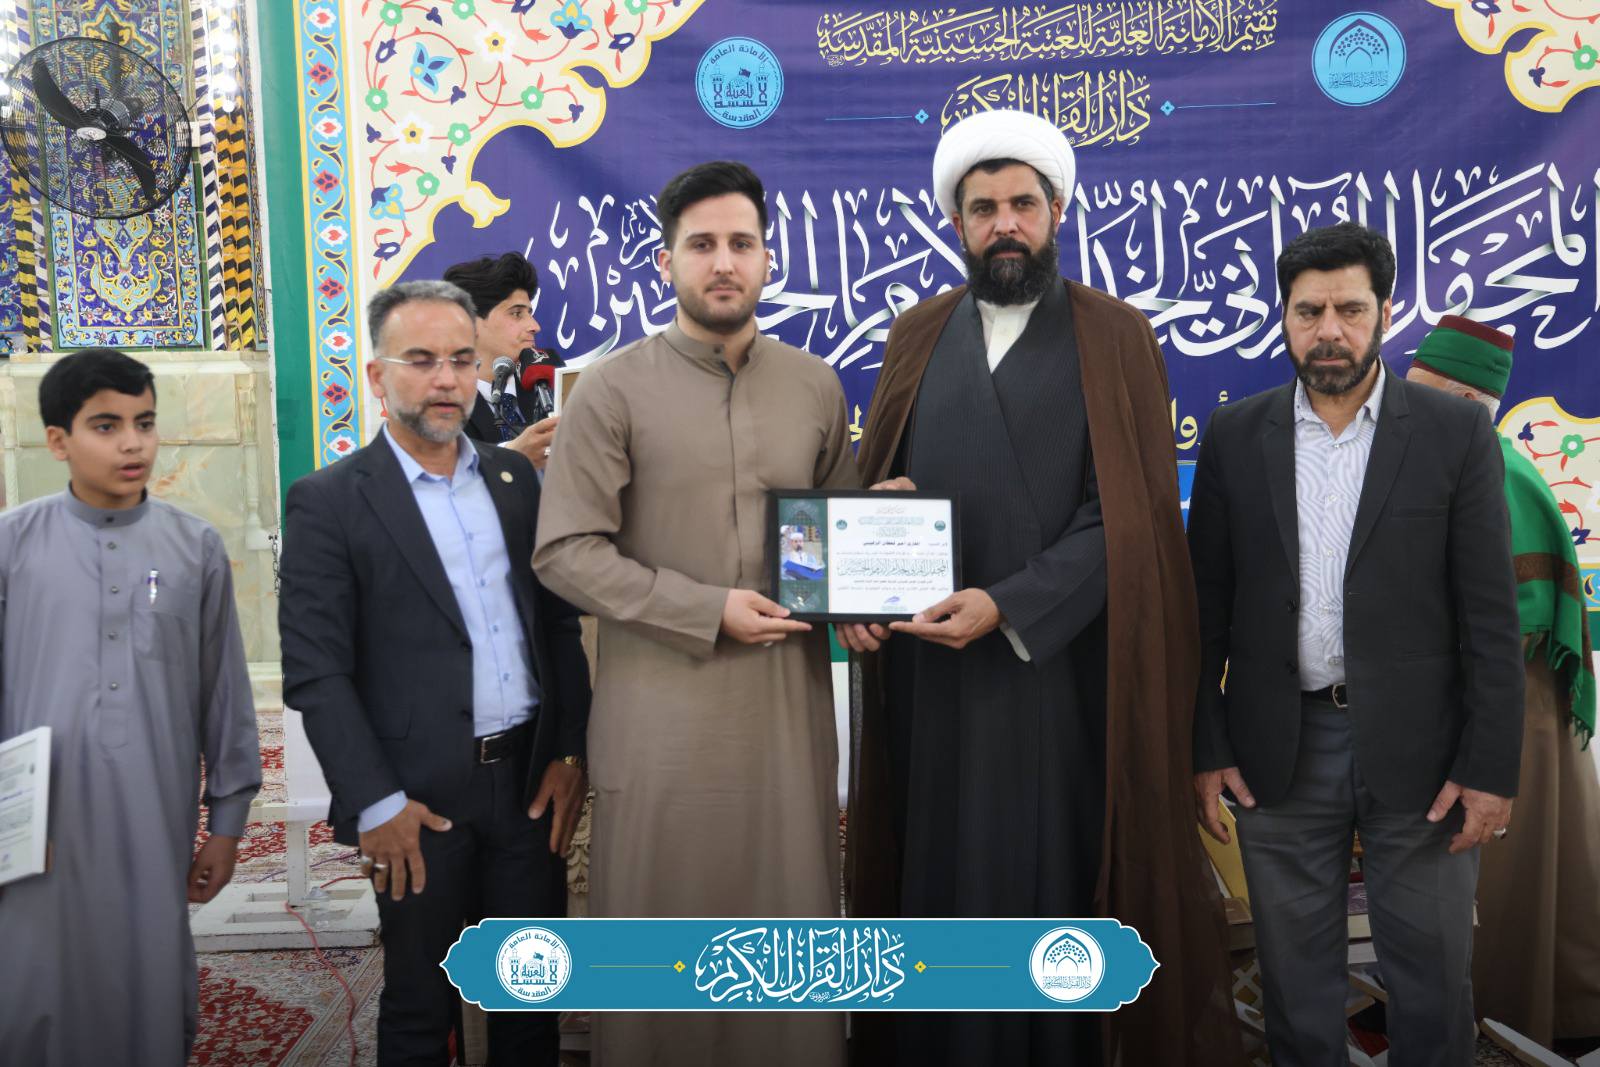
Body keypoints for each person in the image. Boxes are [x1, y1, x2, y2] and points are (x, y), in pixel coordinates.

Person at [842, 109, 1239, 1067]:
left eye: (1023, 203)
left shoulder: (1116, 334)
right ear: (957, 224)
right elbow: (874, 487)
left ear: (1057, 212)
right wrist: (856, 581)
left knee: (1052, 891)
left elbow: (1132, 515)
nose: (1005, 224)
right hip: (933, 690)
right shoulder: (914, 334)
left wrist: (1011, 603)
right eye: (983, 209)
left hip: (1062, 679)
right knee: (941, 884)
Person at [532, 160, 856, 1067]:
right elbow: (566, 551)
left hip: (786, 718)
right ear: (666, 260)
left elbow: (830, 539)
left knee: (787, 918)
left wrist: (878, 560)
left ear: (767, 259)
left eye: (742, 244)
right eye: (702, 244)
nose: (724, 262)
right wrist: (707, 609)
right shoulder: (611, 388)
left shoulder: (815, 385)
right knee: (662, 933)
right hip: (659, 718)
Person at [1189, 223, 1525, 1066]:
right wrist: (1207, 745)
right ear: (1284, 317)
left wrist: (1490, 768)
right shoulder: (1234, 435)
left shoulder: (1453, 433)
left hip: (1427, 754)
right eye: (1309, 312)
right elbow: (1205, 609)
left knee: (1433, 982)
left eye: (1350, 309)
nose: (1329, 330)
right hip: (1279, 749)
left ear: (1384, 313)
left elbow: (1491, 618)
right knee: (1296, 989)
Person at [278, 280, 592, 1066]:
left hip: (526, 791)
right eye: (421, 360)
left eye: (461, 359)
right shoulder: (330, 501)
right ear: (378, 377)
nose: (447, 379)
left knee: (529, 1000)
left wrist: (568, 752)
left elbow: (558, 627)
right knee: (421, 1008)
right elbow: (317, 671)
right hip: (415, 804)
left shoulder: (515, 482)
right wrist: (376, 802)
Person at [0, 348, 261, 1065]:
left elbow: (224, 692)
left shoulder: (193, 547)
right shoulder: (13, 545)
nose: (132, 444)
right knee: (34, 981)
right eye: (106, 425)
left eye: (144, 423)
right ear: (59, 440)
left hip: (152, 808)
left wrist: (227, 825)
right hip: (37, 822)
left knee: (147, 976)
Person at [1405, 315, 1600, 1047]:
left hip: (1513, 718)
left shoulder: (1497, 474)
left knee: (1513, 890)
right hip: (1501, 712)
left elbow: (1507, 629)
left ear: (1463, 401)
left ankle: (1516, 1031)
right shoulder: (1465, 464)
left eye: (1418, 392)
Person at [443, 251, 562, 470]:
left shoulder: (550, 379)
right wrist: (512, 455)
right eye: (516, 314)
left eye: (530, 313)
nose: (534, 326)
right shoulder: (443, 402)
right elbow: (446, 472)